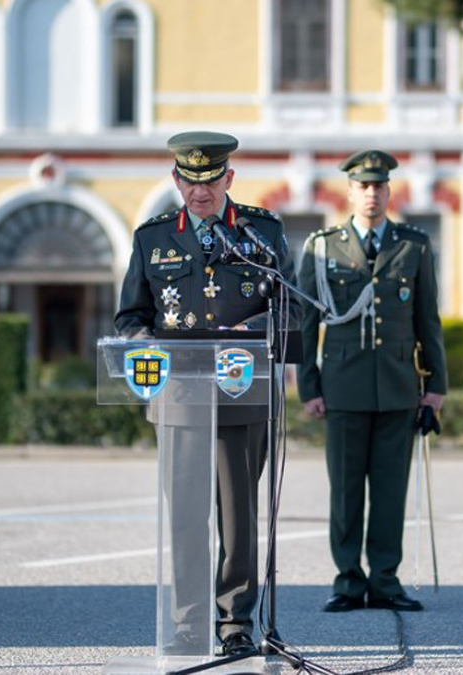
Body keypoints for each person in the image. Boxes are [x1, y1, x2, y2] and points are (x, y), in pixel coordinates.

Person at [115, 131, 297, 656]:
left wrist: (252, 332)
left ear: (228, 178)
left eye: (211, 181)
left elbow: (291, 308)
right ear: (176, 181)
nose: (201, 192)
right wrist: (144, 343)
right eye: (191, 182)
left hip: (242, 391)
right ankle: (189, 624)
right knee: (186, 517)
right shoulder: (152, 238)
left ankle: (236, 623)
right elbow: (130, 316)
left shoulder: (262, 233)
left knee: (238, 518)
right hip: (179, 396)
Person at [297, 149, 447, 613]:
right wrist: (309, 386)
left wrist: (436, 387)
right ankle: (348, 582)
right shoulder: (322, 247)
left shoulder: (413, 245)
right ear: (349, 191)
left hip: (399, 387)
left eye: (379, 186)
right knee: (345, 491)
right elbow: (306, 324)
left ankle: (385, 580)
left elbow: (428, 319)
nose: (371, 194)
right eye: (363, 186)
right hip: (342, 387)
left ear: (389, 191)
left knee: (389, 491)